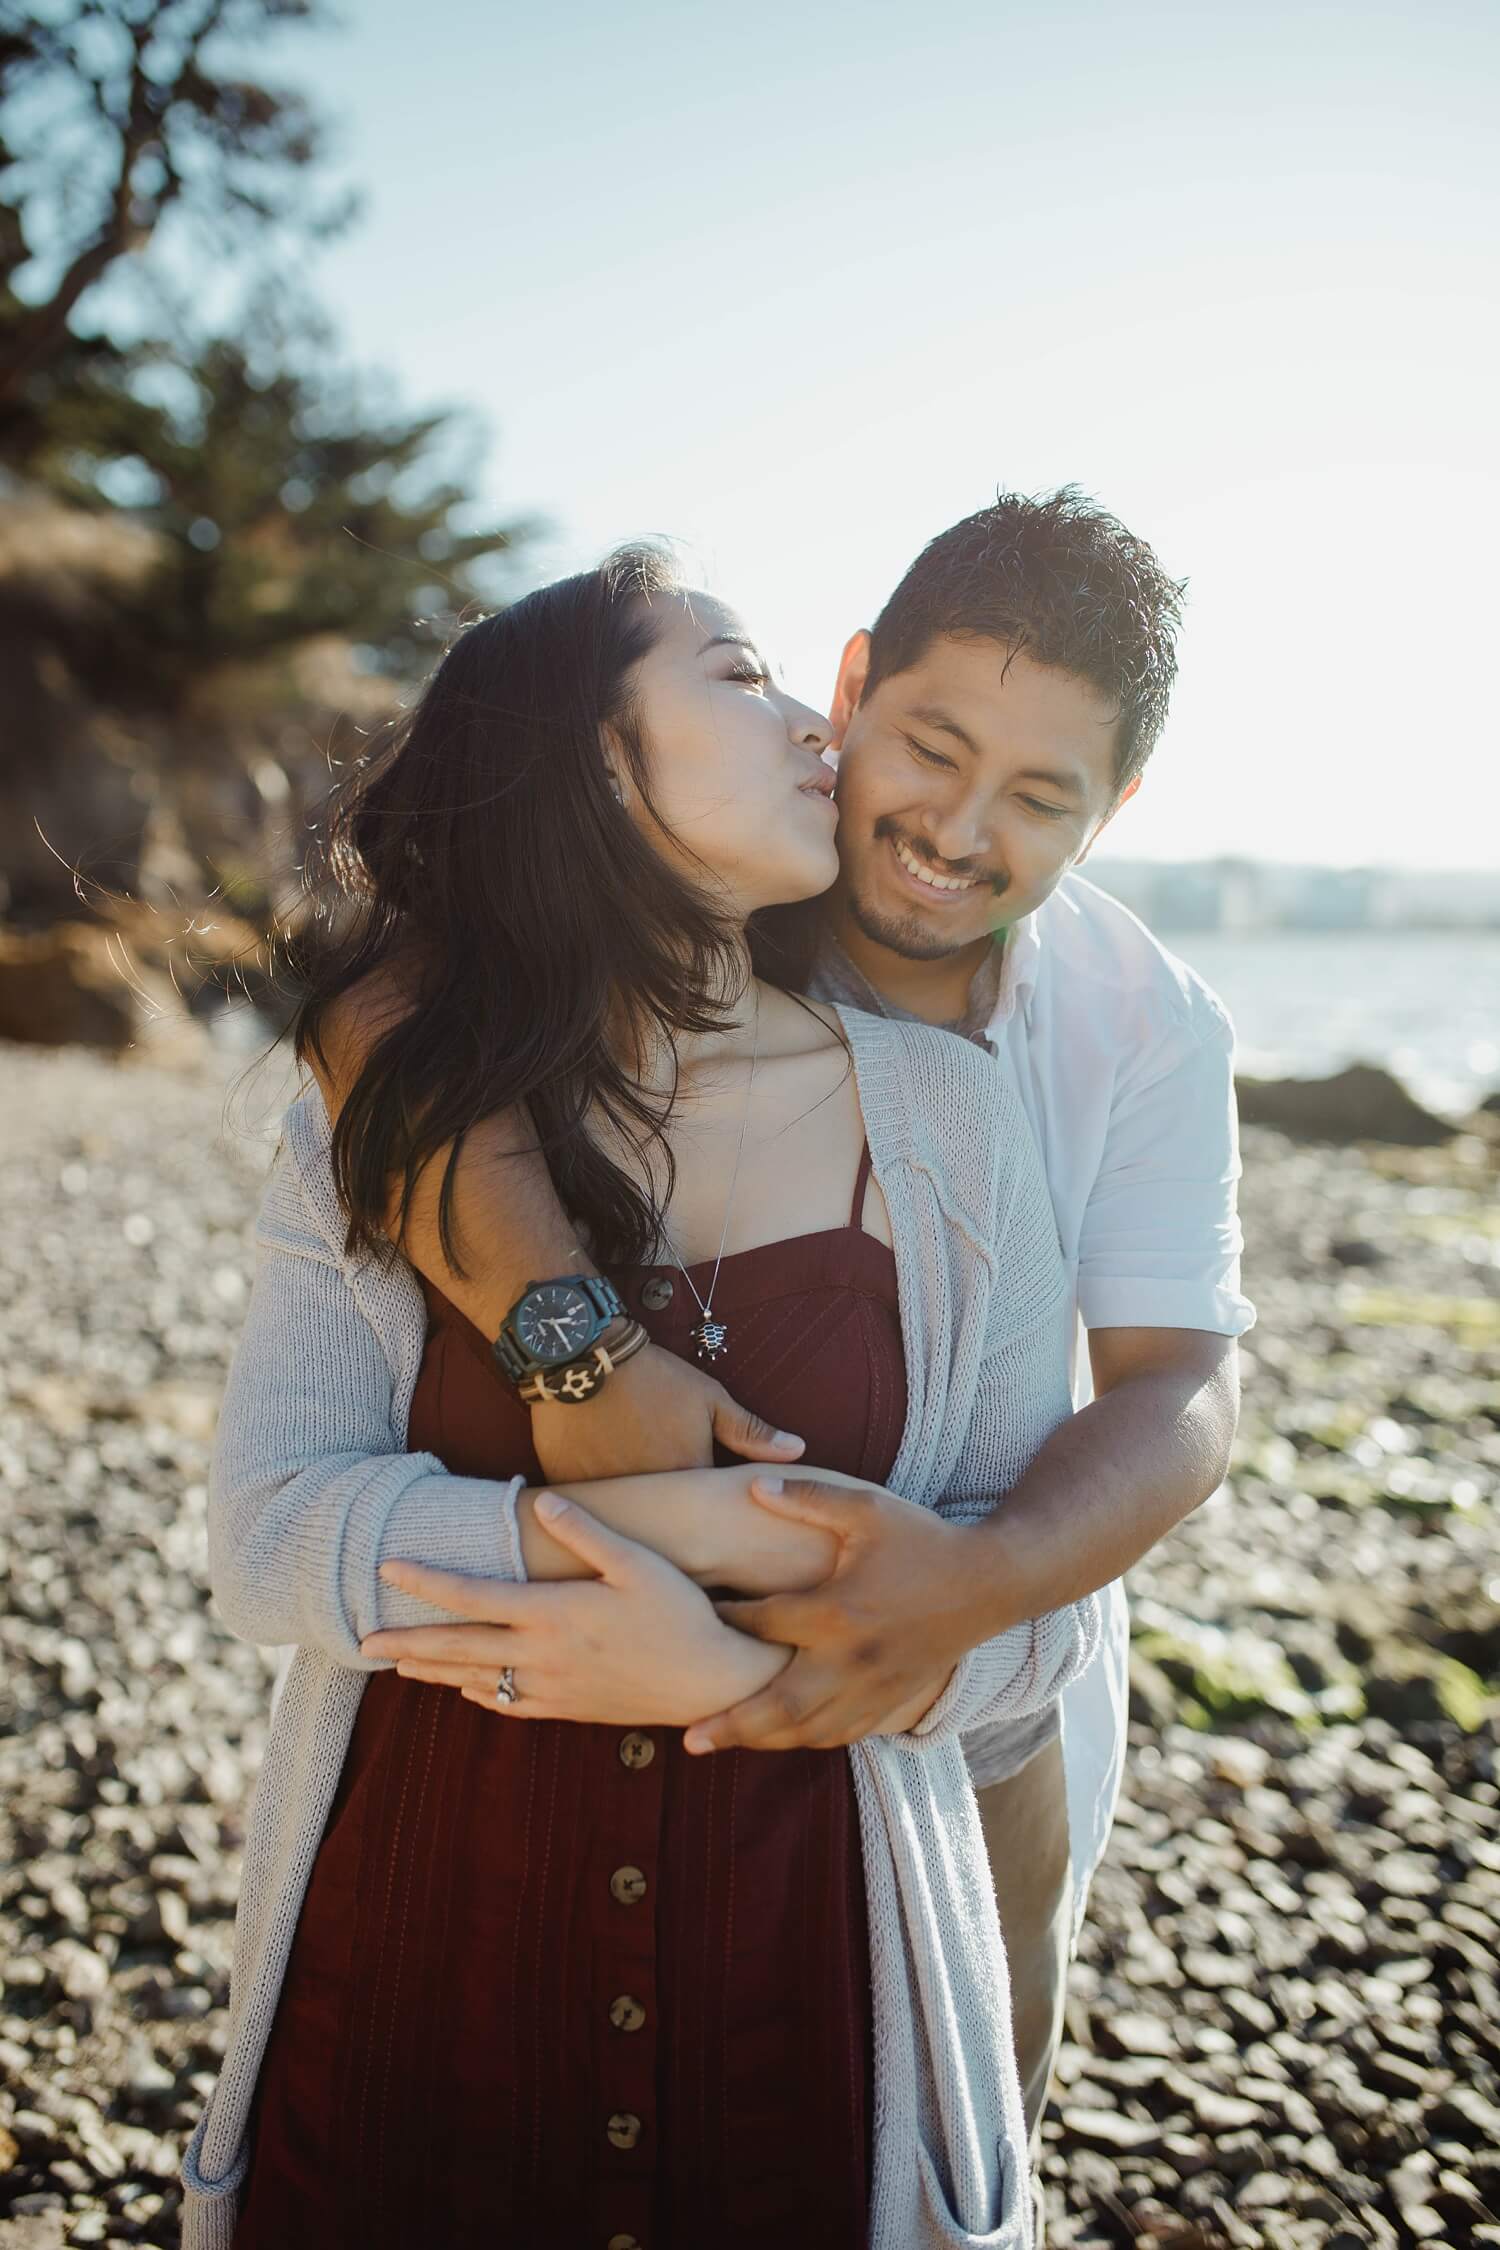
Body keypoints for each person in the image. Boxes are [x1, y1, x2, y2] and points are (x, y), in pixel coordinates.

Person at [295, 488, 1255, 2173]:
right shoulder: (730, 866)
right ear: (854, 684)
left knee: (966, 2075)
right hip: (573, 1675)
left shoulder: (1141, 1020)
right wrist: (567, 1341)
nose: (957, 828)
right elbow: (389, 1013)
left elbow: (1184, 1387)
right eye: (930, 747)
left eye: (1041, 797)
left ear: (1120, 807)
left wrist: (982, 1579)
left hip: (1006, 1636)